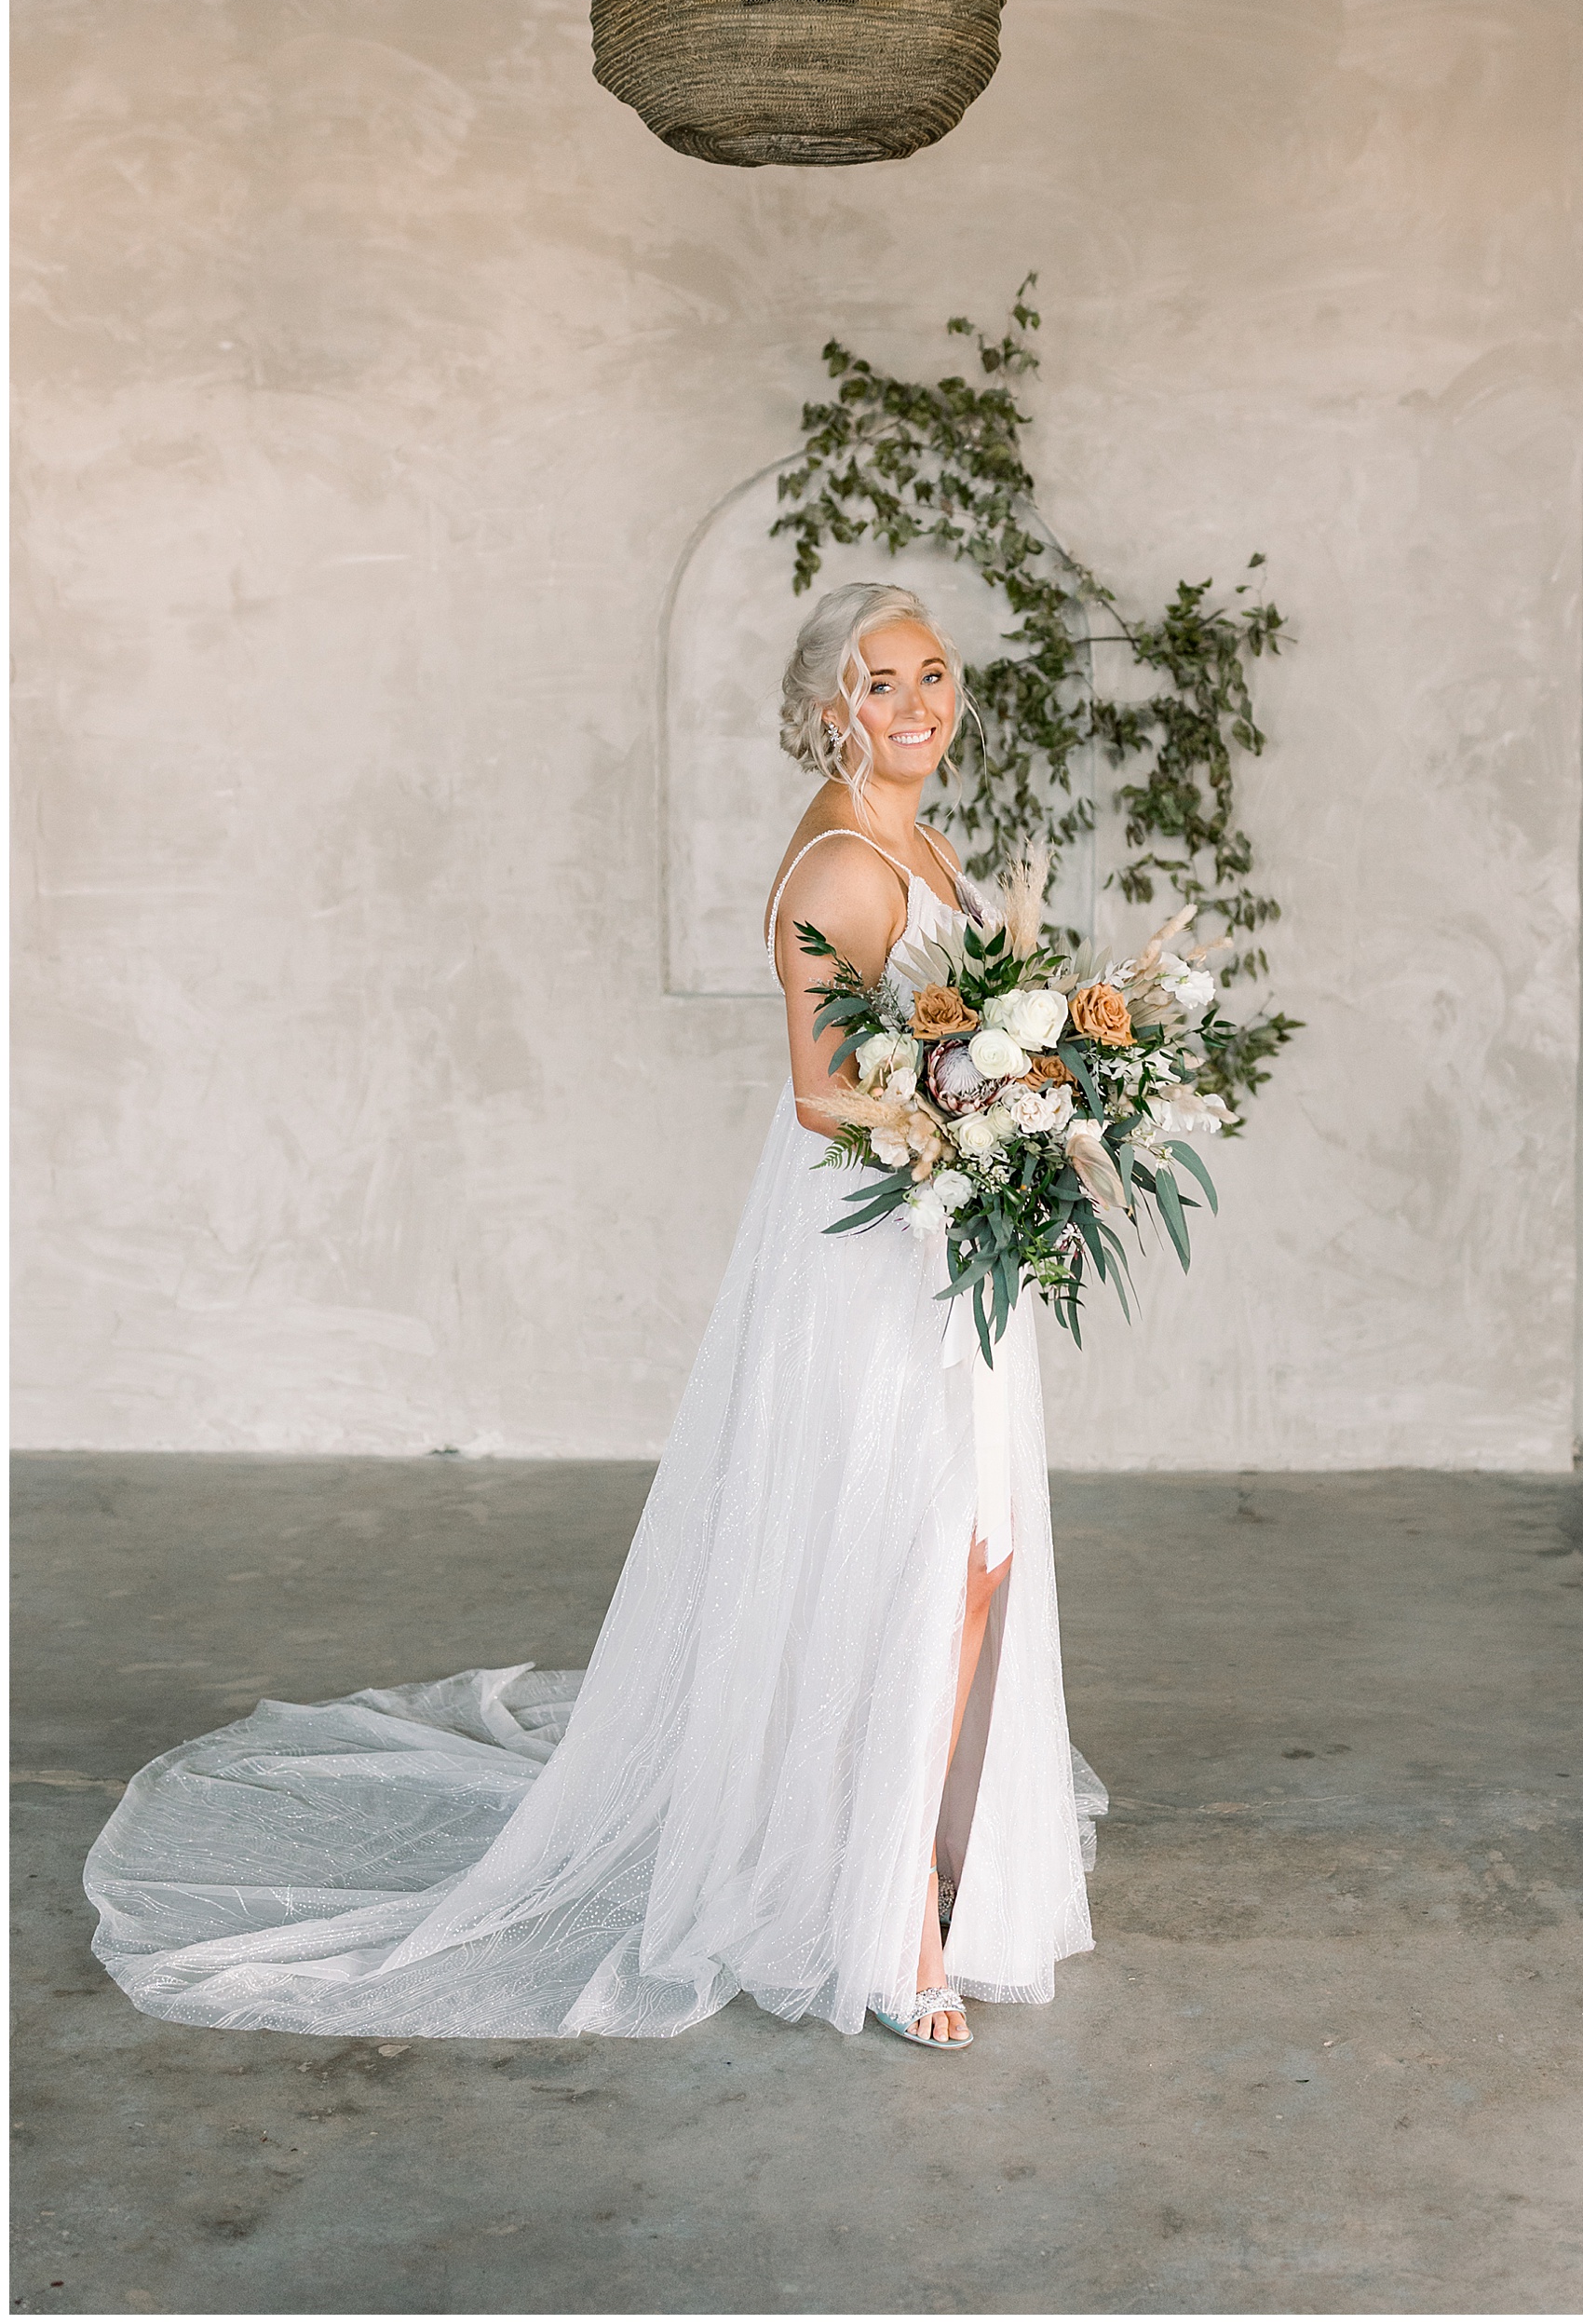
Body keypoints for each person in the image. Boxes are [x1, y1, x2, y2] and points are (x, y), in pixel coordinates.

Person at [84, 580, 1103, 2049]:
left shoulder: (923, 839)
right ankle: (891, 1926)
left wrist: (1027, 1101)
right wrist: (987, 1119)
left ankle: (935, 1862)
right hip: (874, 1251)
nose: (915, 706)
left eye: (931, 674)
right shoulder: (837, 865)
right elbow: (821, 1093)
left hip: (945, 1235)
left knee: (978, 1557)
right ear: (829, 708)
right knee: (911, 1563)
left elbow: (948, 1034)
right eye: (880, 684)